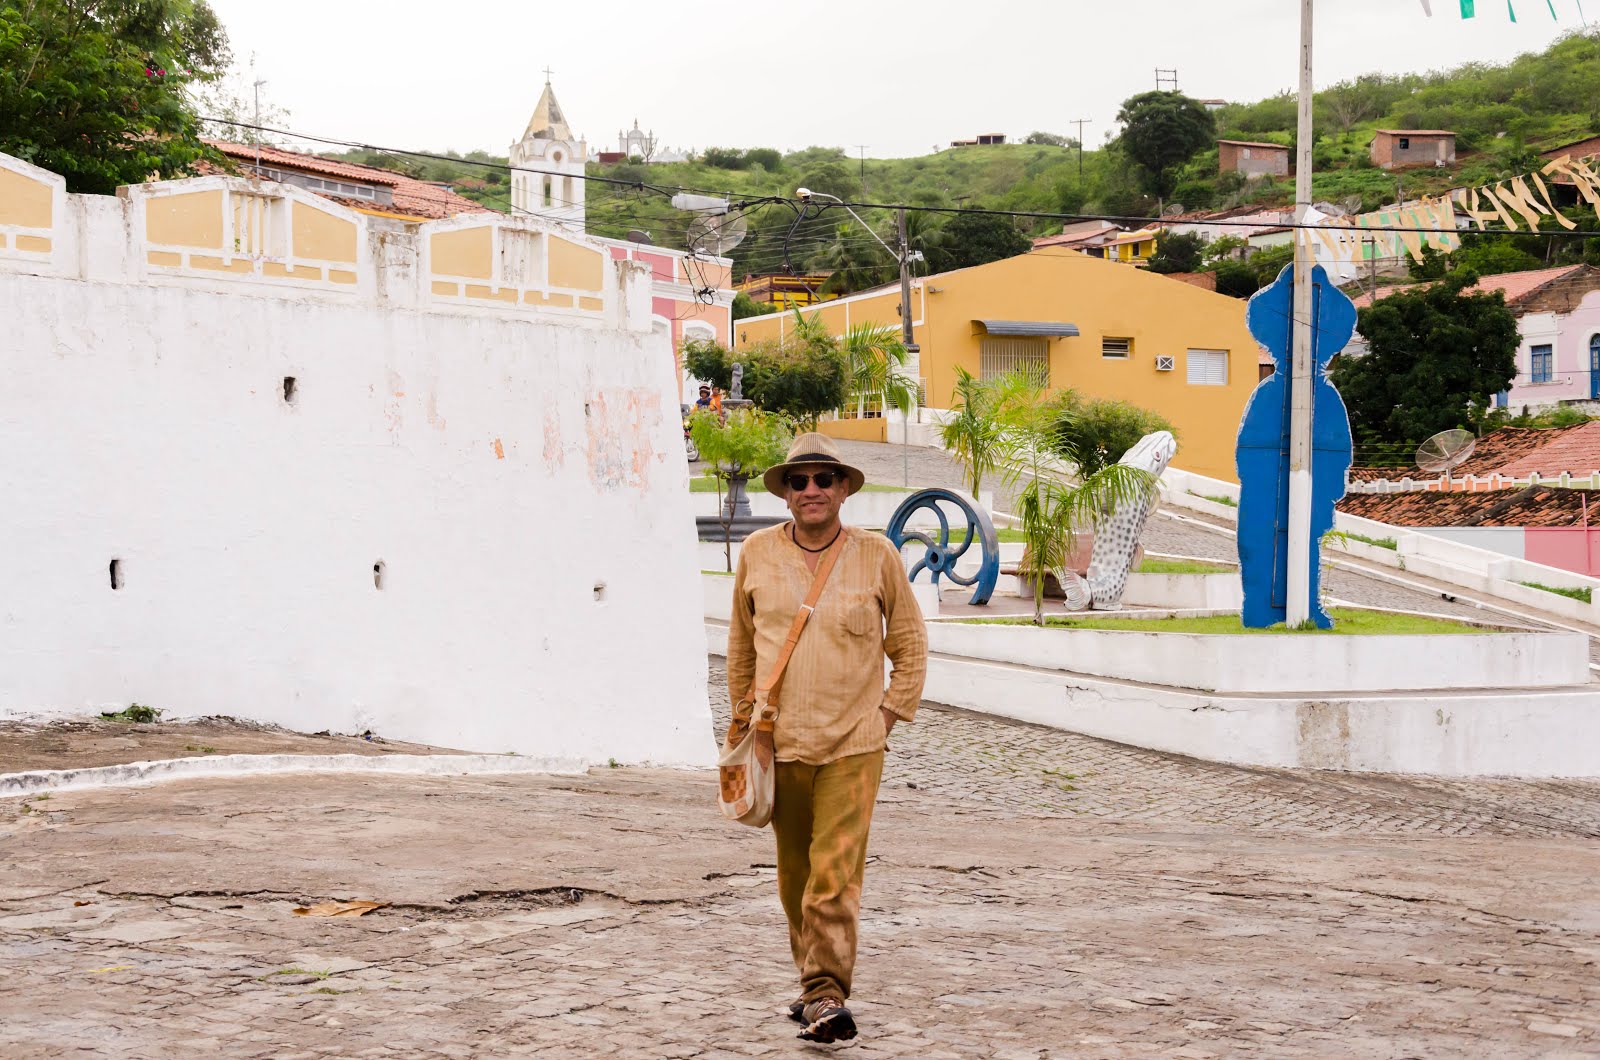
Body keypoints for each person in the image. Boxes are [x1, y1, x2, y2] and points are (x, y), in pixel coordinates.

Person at [726, 433, 928, 1044]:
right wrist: (742, 723)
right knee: (795, 878)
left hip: (853, 746)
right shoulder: (757, 553)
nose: (811, 490)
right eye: (799, 481)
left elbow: (910, 644)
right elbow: (741, 647)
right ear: (786, 494)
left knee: (834, 876)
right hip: (777, 743)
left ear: (843, 489)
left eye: (823, 480)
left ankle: (824, 992)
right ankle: (813, 981)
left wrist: (886, 716)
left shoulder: (877, 556)